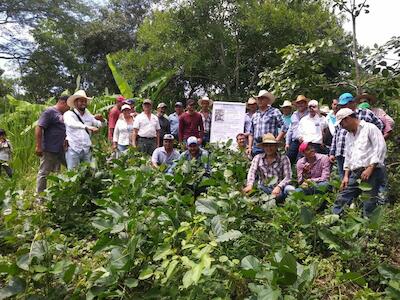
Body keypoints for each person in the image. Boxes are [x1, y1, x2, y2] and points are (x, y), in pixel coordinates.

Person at [332, 108, 387, 217]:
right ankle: (331, 222)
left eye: (342, 124)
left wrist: (370, 167)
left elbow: (380, 148)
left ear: (347, 119)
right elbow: (348, 155)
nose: (343, 127)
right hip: (355, 172)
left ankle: (368, 230)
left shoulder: (370, 128)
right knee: (342, 198)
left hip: (372, 170)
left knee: (369, 202)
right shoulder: (349, 135)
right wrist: (346, 176)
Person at [329, 92, 384, 179]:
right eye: (341, 106)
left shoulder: (365, 113)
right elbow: (336, 134)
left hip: (364, 154)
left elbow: (380, 126)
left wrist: (372, 141)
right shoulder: (340, 116)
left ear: (352, 103)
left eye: (345, 105)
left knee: (370, 183)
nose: (342, 107)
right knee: (345, 180)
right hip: (343, 150)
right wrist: (332, 152)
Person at [243, 133, 294, 203]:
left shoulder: (284, 158)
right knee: (254, 190)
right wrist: (250, 185)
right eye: (266, 146)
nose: (269, 148)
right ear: (263, 147)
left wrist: (279, 187)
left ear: (276, 147)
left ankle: (286, 204)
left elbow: (288, 177)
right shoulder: (258, 158)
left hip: (279, 188)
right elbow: (252, 172)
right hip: (264, 188)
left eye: (271, 146)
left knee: (290, 189)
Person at [35, 95, 69, 192]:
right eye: (68, 106)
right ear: (63, 103)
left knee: (72, 167)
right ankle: (40, 197)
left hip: (62, 149)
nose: (69, 108)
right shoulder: (50, 112)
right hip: (49, 149)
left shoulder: (64, 114)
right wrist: (38, 146)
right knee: (44, 173)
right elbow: (39, 127)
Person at [64, 90, 105, 170]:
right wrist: (87, 127)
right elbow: (72, 124)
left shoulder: (88, 114)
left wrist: (102, 120)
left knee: (90, 173)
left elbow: (99, 124)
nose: (83, 103)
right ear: (75, 102)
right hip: (74, 148)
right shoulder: (69, 114)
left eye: (85, 101)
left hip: (86, 149)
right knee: (73, 174)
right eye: (81, 101)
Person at [247, 90, 284, 157]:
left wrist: (276, 140)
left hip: (270, 145)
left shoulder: (274, 111)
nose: (260, 100)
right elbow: (251, 133)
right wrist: (250, 147)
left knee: (271, 165)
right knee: (257, 165)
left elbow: (284, 127)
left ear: (268, 100)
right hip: (257, 146)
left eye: (262, 98)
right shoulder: (255, 115)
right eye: (259, 99)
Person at [285, 95, 309, 164]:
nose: (300, 105)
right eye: (298, 103)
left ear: (305, 104)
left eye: (302, 103)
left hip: (305, 141)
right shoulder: (294, 115)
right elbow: (290, 129)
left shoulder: (309, 114)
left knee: (301, 160)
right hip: (295, 140)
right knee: (288, 158)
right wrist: (287, 143)